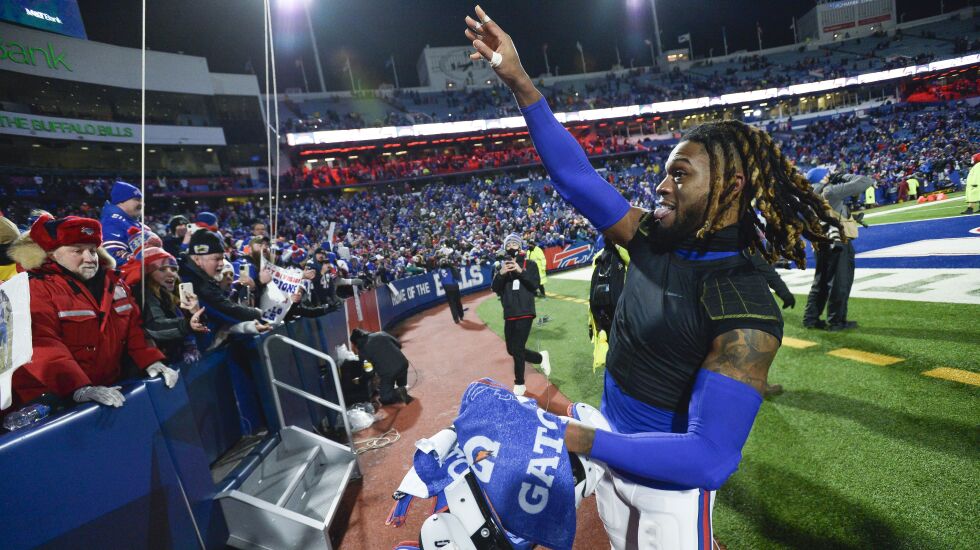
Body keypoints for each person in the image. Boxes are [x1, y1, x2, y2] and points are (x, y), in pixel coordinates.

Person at [462, 7, 839, 547]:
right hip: (612, 447)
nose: (662, 186)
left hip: (668, 486)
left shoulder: (744, 303)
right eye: (665, 172)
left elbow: (710, 458)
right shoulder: (650, 237)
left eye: (680, 175)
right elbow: (575, 177)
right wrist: (521, 83)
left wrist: (579, 438)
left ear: (730, 189)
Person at [8, 214, 178, 408]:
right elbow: (42, 344)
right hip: (54, 402)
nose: (89, 258)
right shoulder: (33, 289)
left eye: (92, 250)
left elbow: (134, 331)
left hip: (107, 393)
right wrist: (77, 388)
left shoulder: (115, 284)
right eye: (77, 251)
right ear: (52, 253)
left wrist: (150, 361)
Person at [802, 168, 874, 331]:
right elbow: (866, 181)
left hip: (821, 242)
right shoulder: (829, 191)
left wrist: (848, 216)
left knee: (821, 282)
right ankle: (837, 321)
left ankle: (811, 319)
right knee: (840, 281)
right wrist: (841, 176)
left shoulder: (808, 194)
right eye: (828, 174)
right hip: (838, 242)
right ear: (823, 177)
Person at [178, 230, 268, 343]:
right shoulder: (195, 282)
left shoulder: (197, 275)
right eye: (217, 259)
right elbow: (226, 310)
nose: (221, 263)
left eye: (222, 258)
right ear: (197, 259)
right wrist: (260, 314)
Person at [490, 233, 550, 396]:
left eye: (514, 244)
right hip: (509, 312)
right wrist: (501, 273)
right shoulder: (500, 267)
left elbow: (534, 284)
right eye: (508, 245)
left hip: (525, 311)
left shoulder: (530, 264)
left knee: (517, 348)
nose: (511, 247)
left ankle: (520, 383)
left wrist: (520, 270)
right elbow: (495, 288)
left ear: (520, 246)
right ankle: (540, 358)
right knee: (512, 349)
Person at [126, 246, 207, 364]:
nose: (171, 274)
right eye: (162, 269)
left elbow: (199, 329)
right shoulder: (143, 293)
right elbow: (155, 326)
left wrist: (195, 313)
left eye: (174, 269)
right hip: (159, 362)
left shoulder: (173, 293)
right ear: (148, 273)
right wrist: (188, 324)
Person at [349, 328, 413, 405]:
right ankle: (402, 387)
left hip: (389, 373)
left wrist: (360, 380)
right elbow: (399, 345)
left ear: (356, 343)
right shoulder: (381, 334)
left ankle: (398, 392)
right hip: (403, 364)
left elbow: (369, 372)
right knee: (399, 380)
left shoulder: (363, 351)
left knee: (385, 398)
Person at [100, 180, 150, 264]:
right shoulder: (113, 222)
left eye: (142, 200)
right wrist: (150, 261)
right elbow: (113, 256)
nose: (142, 204)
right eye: (137, 199)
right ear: (120, 201)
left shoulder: (131, 223)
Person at [435, 255, 465, 323]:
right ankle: (461, 315)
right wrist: (458, 270)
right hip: (455, 287)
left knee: (452, 304)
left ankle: (455, 319)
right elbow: (457, 277)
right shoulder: (452, 268)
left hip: (447, 289)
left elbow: (441, 278)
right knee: (458, 302)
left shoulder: (439, 270)